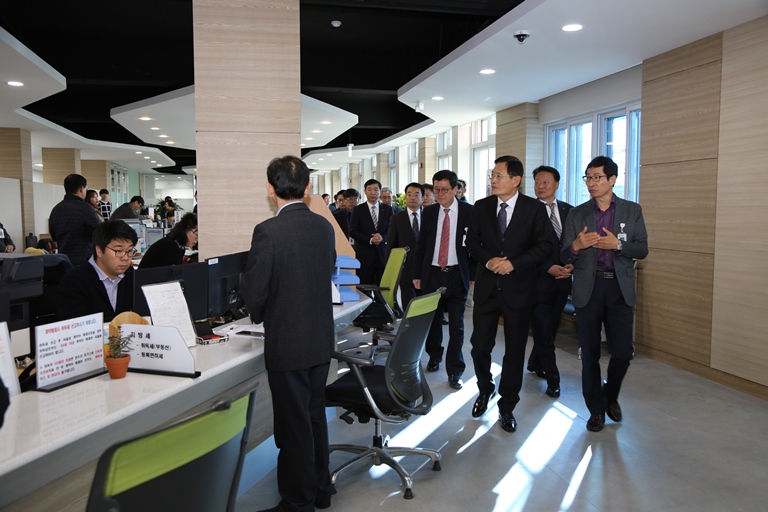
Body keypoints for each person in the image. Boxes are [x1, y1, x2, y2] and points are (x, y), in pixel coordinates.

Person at [240, 155, 336, 512]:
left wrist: (257, 312)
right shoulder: (323, 226)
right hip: (319, 339)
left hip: (288, 343)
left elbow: (256, 291)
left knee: (294, 426)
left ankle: (298, 502)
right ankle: (320, 490)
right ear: (308, 187)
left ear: (270, 188)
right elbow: (326, 270)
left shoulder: (268, 231)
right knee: (314, 416)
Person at [561, 155, 648, 433]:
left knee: (622, 352)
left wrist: (617, 246)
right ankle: (596, 410)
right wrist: (576, 246)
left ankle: (610, 394)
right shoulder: (577, 214)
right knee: (590, 355)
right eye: (588, 177)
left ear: (612, 179)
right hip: (589, 287)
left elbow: (642, 249)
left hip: (619, 288)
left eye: (597, 177)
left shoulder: (632, 211)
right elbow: (564, 254)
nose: (591, 183)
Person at [465, 155, 551, 433]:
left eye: (498, 175)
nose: (493, 180)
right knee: (480, 346)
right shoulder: (481, 206)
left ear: (516, 180)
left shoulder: (534, 209)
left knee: (514, 352)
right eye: (492, 175)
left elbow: (545, 246)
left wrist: (514, 263)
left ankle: (507, 405)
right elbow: (472, 242)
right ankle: (485, 388)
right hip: (487, 289)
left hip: (519, 290)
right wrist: (489, 261)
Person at [412, 170, 474, 391]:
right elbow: (421, 246)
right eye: (436, 189)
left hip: (457, 274)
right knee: (433, 321)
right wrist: (417, 274)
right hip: (432, 273)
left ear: (456, 189)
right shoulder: (429, 212)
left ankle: (455, 370)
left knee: (457, 326)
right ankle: (434, 355)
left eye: (444, 189)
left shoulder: (469, 212)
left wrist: (473, 275)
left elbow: (476, 246)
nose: (439, 194)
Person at [526, 166, 573, 398]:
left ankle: (535, 362)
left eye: (545, 182)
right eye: (537, 182)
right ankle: (553, 379)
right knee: (544, 330)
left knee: (550, 327)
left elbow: (574, 243)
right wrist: (547, 267)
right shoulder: (527, 211)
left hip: (562, 281)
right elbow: (523, 248)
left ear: (557, 184)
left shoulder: (569, 210)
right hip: (537, 281)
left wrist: (571, 265)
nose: (540, 186)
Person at [56, 220, 138, 322]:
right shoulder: (74, 281)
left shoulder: (132, 278)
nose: (125, 258)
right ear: (99, 250)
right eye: (118, 251)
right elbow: (74, 325)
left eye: (129, 251)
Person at [49, 174, 104, 267]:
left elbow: (54, 236)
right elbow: (101, 232)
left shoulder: (55, 210)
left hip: (63, 262)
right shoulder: (86, 208)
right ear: (81, 189)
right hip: (84, 261)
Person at [349, 179, 392, 286]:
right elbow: (353, 231)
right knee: (364, 287)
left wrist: (382, 238)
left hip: (382, 256)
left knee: (383, 287)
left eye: (376, 189)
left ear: (380, 192)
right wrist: (370, 240)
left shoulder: (387, 209)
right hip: (365, 256)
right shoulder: (358, 210)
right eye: (369, 189)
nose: (373, 192)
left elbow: (391, 230)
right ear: (365, 191)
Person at [386, 182, 423, 305]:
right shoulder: (397, 218)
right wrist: (391, 267)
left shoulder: (429, 217)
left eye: (416, 195)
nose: (412, 198)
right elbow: (391, 244)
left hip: (425, 267)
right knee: (408, 301)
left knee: (423, 301)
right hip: (405, 267)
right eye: (409, 194)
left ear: (422, 198)